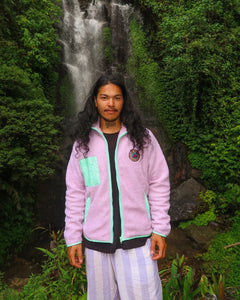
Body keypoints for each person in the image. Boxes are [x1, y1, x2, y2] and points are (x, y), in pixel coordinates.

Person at [64, 73, 171, 300]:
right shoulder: (82, 143)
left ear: (124, 101)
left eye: (116, 98)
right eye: (104, 97)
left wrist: (160, 230)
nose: (110, 104)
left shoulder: (143, 139)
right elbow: (75, 192)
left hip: (138, 241)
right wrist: (72, 238)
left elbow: (159, 182)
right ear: (95, 100)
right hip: (96, 245)